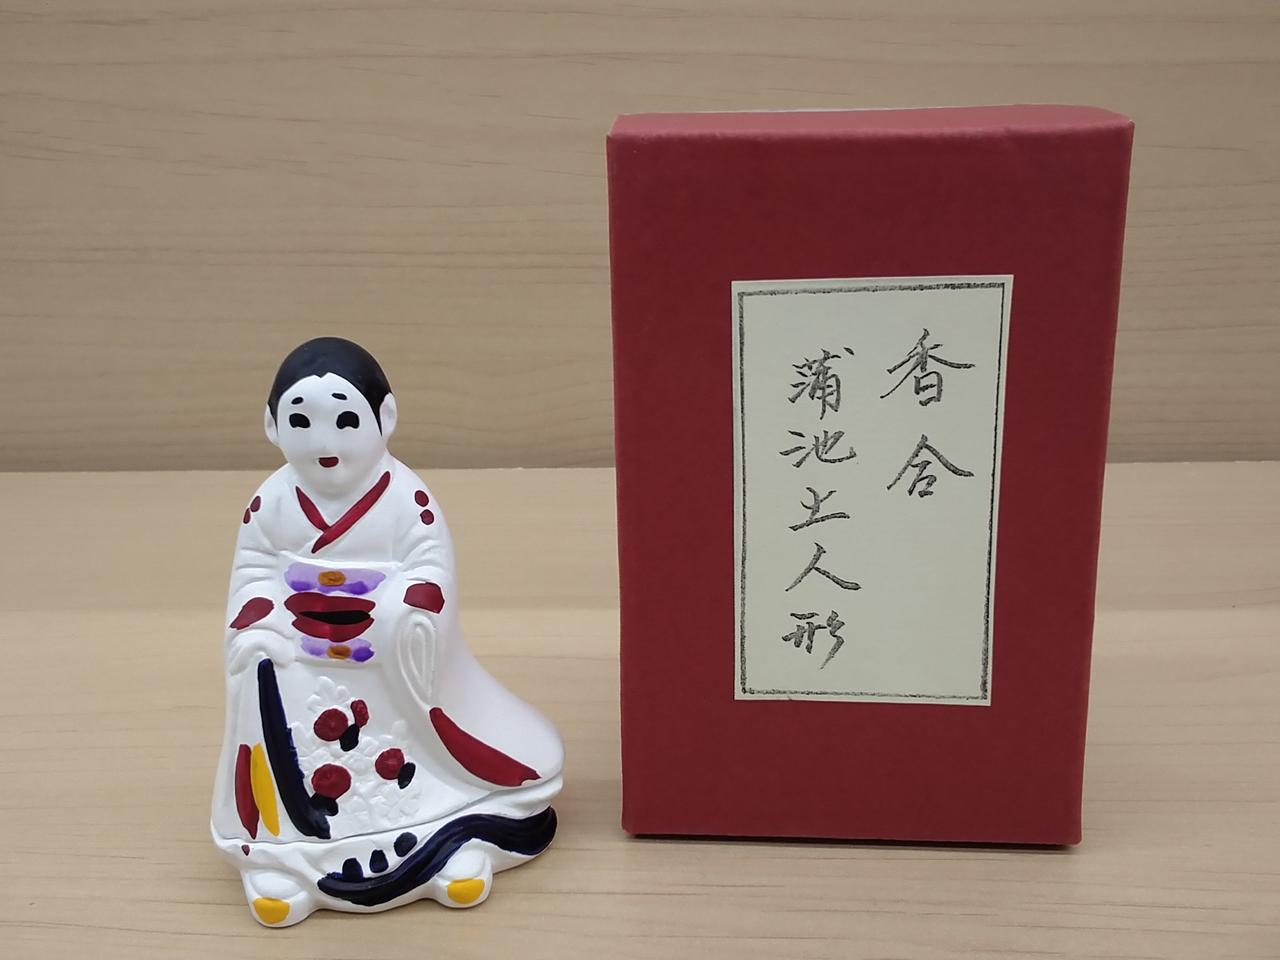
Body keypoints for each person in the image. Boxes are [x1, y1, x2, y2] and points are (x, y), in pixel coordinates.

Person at [210, 337, 562, 927]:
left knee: (420, 767)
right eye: (300, 422)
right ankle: (282, 864)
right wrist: (261, 628)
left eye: (346, 421)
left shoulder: (408, 499)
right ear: (271, 426)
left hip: (392, 670)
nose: (324, 443)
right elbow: (251, 577)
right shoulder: (268, 503)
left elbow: (430, 574)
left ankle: (450, 843)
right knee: (276, 734)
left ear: (386, 418)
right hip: (299, 667)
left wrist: (396, 615)